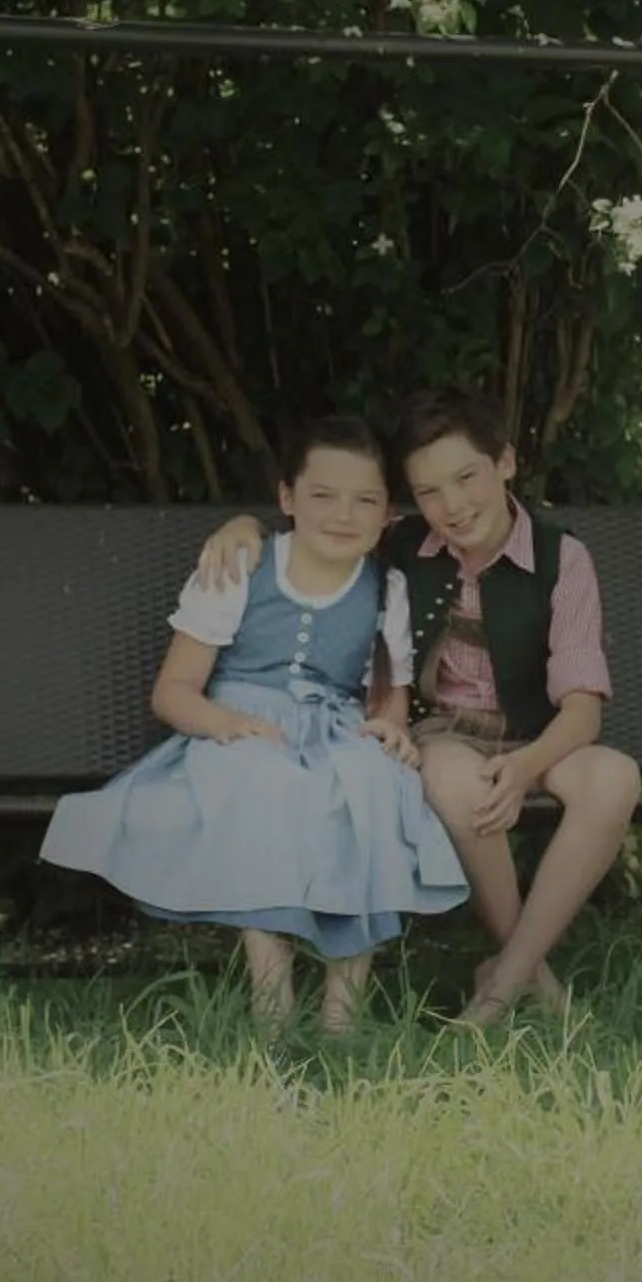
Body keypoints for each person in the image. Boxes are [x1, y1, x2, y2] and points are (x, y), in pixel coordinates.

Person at [198, 387, 642, 1028]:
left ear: (507, 464)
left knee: (614, 778)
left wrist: (525, 768)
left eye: (467, 478)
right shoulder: (401, 545)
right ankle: (530, 980)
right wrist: (243, 527)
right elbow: (314, 538)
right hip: (442, 736)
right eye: (430, 492)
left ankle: (505, 977)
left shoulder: (561, 558)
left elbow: (582, 713)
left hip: (537, 741)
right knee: (457, 781)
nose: (454, 505)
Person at [39, 416, 469, 1035]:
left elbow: (389, 698)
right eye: (323, 496)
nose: (344, 514)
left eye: (366, 500)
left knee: (375, 782)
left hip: (336, 729)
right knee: (264, 782)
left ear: (386, 515)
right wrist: (226, 723)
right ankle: (273, 999)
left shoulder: (385, 588)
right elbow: (172, 691)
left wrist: (392, 729)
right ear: (287, 499)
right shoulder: (242, 566)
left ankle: (341, 1012)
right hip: (239, 727)